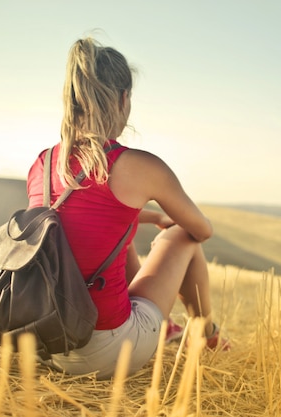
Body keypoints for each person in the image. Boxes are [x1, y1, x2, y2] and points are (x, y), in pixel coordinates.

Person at [26, 37, 228, 379]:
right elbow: (201, 230)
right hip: (106, 352)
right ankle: (205, 334)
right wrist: (170, 221)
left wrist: (149, 216)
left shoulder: (43, 165)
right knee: (182, 236)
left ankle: (165, 329)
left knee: (119, 233)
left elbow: (79, 224)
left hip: (44, 343)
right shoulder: (138, 165)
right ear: (123, 99)